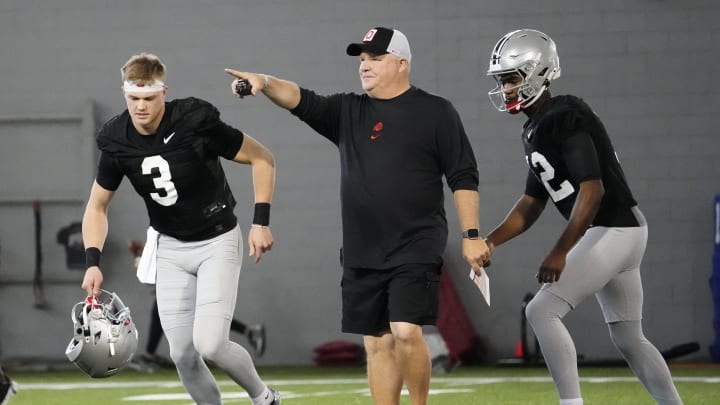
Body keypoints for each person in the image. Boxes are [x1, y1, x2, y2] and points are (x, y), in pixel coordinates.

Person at [226, 26, 490, 405]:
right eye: (362, 59)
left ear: (401, 63)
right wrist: (264, 82)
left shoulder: (436, 112)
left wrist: (471, 234)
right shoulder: (348, 111)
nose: (364, 66)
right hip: (362, 247)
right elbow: (300, 98)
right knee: (376, 342)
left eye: (375, 58)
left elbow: (463, 176)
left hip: (416, 242)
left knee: (403, 330)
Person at [483, 29, 683, 405]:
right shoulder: (537, 126)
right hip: (621, 229)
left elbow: (593, 189)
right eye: (502, 81)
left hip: (613, 228)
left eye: (511, 79)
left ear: (538, 72)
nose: (506, 89)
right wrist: (491, 240)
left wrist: (560, 250)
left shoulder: (565, 116)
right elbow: (531, 202)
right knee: (628, 336)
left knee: (541, 310)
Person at [81, 53, 280, 405]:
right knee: (183, 356)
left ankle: (264, 398)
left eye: (149, 98)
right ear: (124, 93)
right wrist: (92, 261)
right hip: (170, 247)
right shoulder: (115, 138)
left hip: (217, 239)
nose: (140, 107)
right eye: (133, 98)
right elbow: (97, 206)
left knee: (211, 344)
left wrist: (260, 222)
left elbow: (262, 157)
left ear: (164, 92)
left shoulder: (193, 120)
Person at [127, 240, 266, 373]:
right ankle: (248, 331)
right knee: (197, 316)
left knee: (205, 317)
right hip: (187, 278)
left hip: (193, 276)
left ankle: (152, 355)